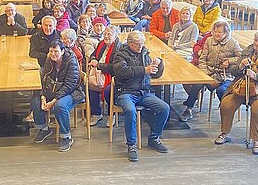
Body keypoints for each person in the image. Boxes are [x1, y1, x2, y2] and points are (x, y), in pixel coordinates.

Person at [215, 30, 258, 155]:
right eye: (255, 41)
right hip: (242, 88)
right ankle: (225, 133)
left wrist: (256, 76)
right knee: (226, 103)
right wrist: (240, 66)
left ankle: (257, 141)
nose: (256, 44)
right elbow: (234, 71)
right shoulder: (247, 52)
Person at [113, 31, 170, 162]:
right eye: (137, 44)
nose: (141, 46)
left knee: (164, 108)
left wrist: (159, 64)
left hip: (143, 92)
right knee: (130, 111)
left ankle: (154, 138)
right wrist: (144, 70)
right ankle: (131, 145)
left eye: (142, 44)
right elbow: (121, 72)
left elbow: (155, 74)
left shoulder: (145, 53)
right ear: (130, 43)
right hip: (126, 92)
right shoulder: (120, 55)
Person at [180, 20, 242, 122]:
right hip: (209, 72)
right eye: (215, 31)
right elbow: (202, 59)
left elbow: (241, 58)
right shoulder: (209, 41)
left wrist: (229, 61)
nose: (217, 34)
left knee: (221, 90)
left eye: (220, 32)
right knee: (196, 84)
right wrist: (206, 76)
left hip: (225, 75)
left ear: (226, 32)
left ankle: (226, 112)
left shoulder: (233, 43)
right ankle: (189, 109)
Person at [30, 41, 84, 152]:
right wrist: (43, 97)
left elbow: (70, 85)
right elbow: (45, 79)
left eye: (56, 51)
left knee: (60, 106)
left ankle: (66, 137)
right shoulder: (49, 60)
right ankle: (44, 129)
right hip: (53, 89)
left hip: (72, 92)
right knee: (35, 102)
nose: (53, 54)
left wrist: (53, 101)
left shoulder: (71, 61)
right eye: (51, 51)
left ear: (62, 51)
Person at [88, 25, 122, 126]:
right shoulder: (101, 44)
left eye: (109, 34)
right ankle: (96, 114)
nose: (106, 36)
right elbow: (93, 55)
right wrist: (93, 59)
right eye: (105, 34)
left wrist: (98, 65)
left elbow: (115, 67)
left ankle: (111, 114)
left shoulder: (119, 48)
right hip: (99, 73)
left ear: (115, 36)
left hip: (112, 76)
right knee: (91, 86)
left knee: (108, 90)